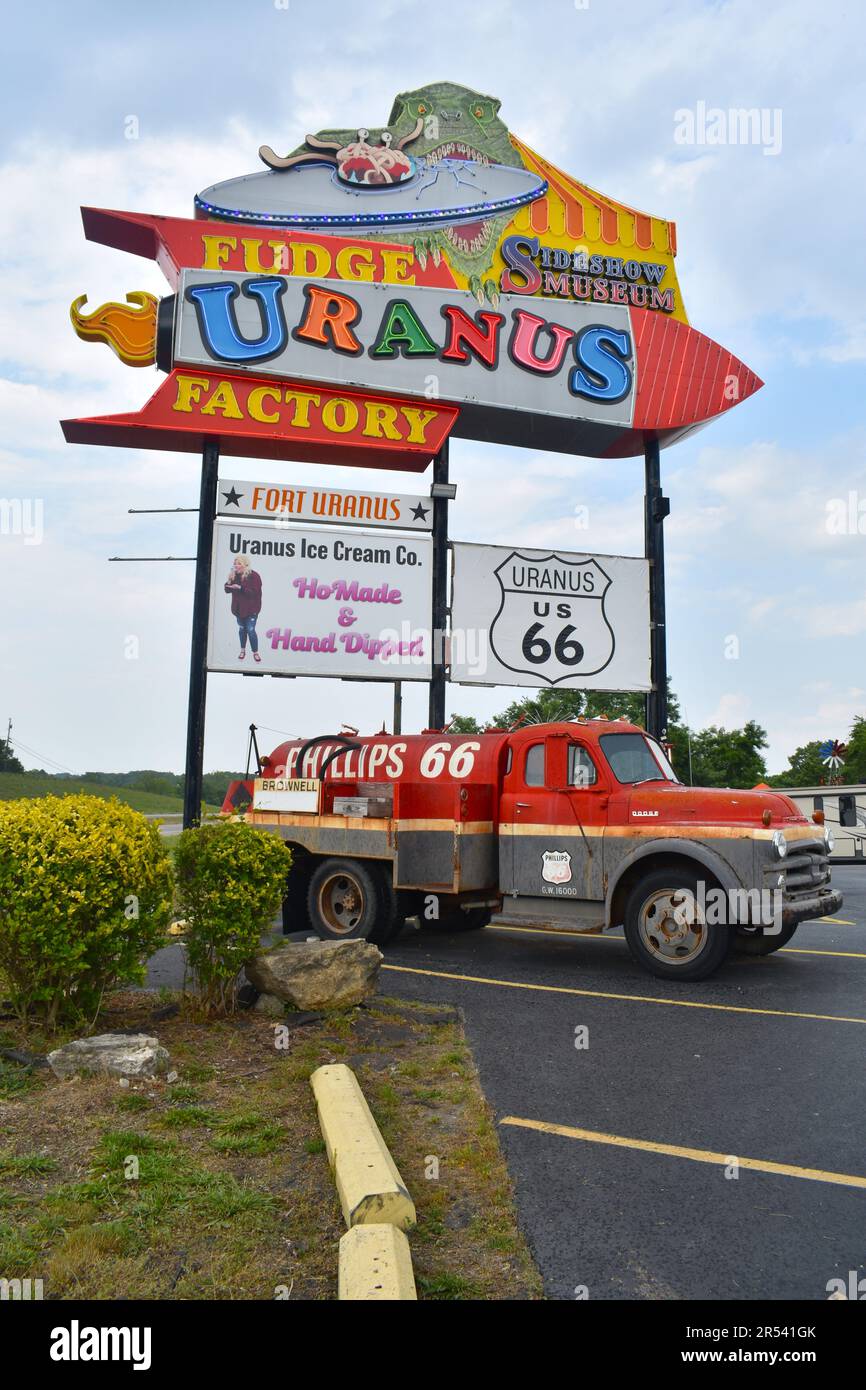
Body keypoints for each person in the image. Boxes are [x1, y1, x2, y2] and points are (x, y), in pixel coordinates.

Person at [224, 556, 263, 662]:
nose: (236, 565)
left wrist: (240, 588)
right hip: (239, 609)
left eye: (239, 563)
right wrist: (229, 580)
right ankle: (242, 650)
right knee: (242, 629)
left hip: (252, 609)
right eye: (235, 563)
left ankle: (255, 652)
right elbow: (227, 590)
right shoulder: (234, 575)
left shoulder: (254, 576)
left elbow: (254, 593)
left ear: (245, 564)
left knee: (250, 630)